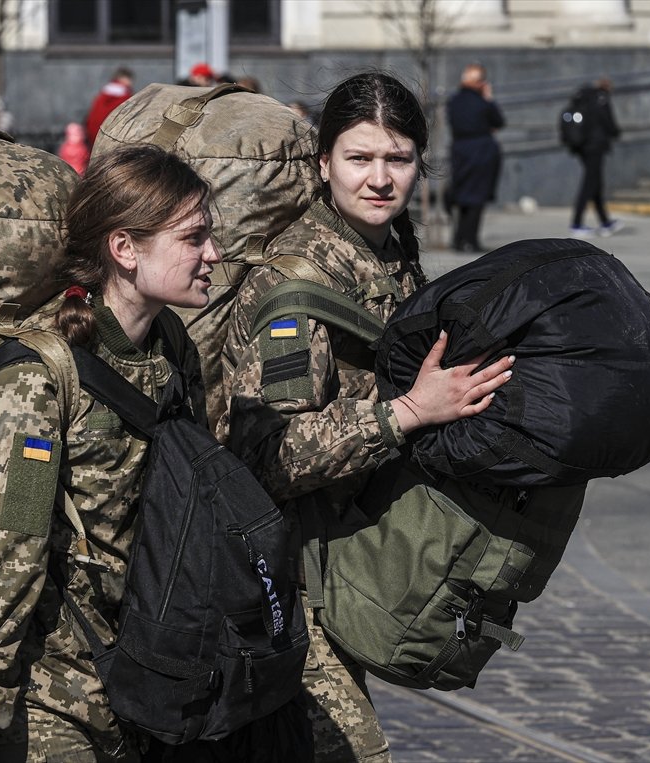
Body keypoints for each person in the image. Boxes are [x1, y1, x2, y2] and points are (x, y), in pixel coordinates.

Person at [220, 71, 515, 762]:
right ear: (324, 164)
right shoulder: (297, 286)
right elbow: (268, 455)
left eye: (398, 158)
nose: (380, 178)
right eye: (359, 158)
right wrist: (407, 413)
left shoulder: (389, 251)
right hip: (286, 579)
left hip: (350, 558)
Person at [0, 144, 221, 763]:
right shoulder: (37, 381)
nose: (213, 253)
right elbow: (4, 539)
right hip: (46, 695)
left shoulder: (169, 348)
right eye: (193, 238)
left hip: (142, 681)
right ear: (125, 249)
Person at [445, 63, 505, 253]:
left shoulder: (454, 101)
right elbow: (499, 121)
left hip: (460, 150)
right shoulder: (482, 102)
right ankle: (470, 240)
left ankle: (459, 238)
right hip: (482, 152)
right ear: (480, 82)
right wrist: (489, 99)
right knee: (476, 198)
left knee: (463, 196)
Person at [569, 78, 623, 237]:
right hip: (596, 146)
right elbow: (608, 122)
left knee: (595, 184)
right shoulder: (601, 99)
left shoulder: (584, 98)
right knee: (589, 185)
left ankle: (605, 222)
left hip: (584, 147)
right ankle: (576, 223)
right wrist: (615, 132)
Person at [85, 67, 134, 146]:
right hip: (111, 135)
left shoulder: (103, 94)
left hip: (93, 133)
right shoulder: (125, 96)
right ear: (124, 78)